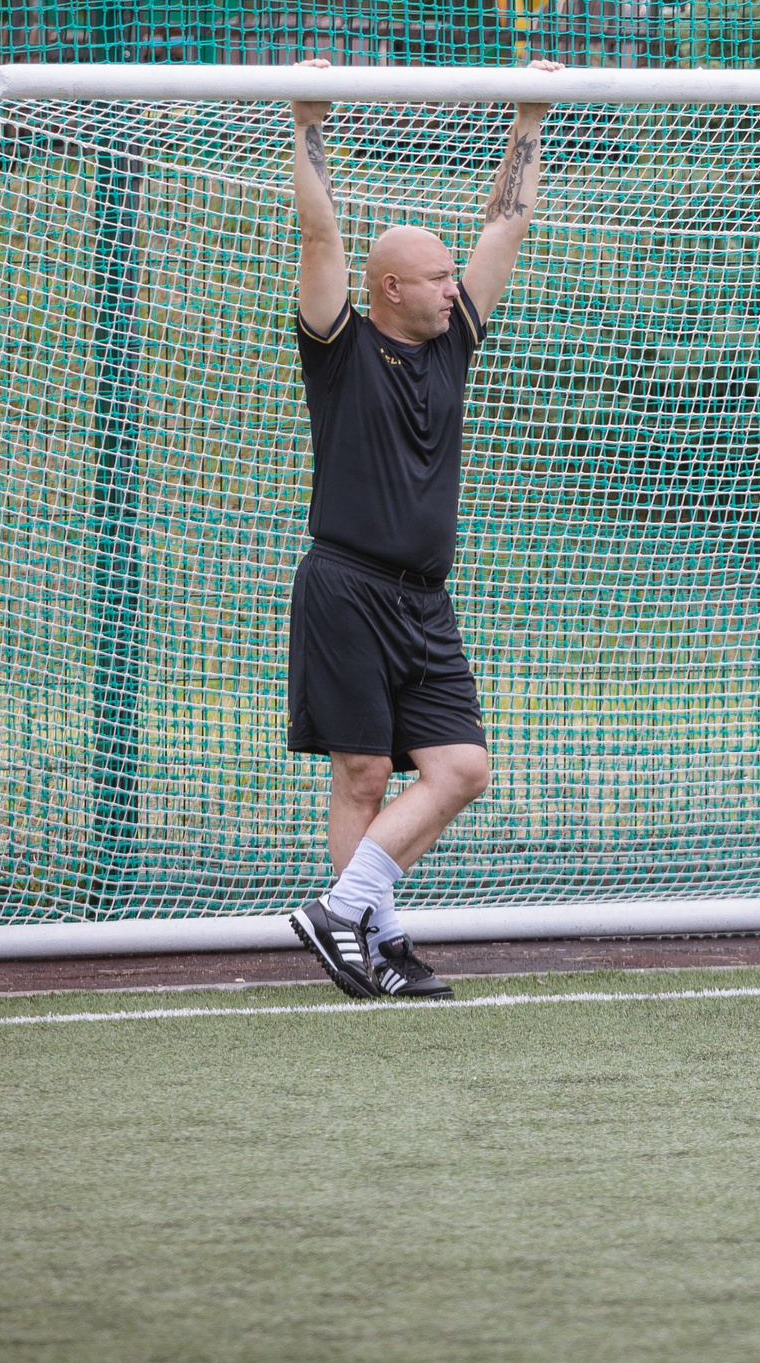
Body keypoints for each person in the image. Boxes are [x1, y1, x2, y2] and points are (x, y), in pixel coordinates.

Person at [284, 55, 561, 1000]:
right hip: (347, 586)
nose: (455, 288)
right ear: (390, 287)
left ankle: (345, 911)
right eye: (437, 278)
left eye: (455, 276)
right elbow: (321, 229)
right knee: (363, 776)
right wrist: (309, 112)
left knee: (462, 767)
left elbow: (506, 221)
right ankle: (375, 936)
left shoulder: (457, 345)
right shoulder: (340, 343)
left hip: (424, 601)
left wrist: (529, 112)